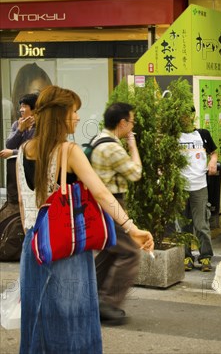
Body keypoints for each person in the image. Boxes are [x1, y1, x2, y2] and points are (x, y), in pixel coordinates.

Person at [16, 86, 153, 353]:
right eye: (74, 111)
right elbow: (100, 192)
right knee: (73, 320)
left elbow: (24, 202)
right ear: (60, 115)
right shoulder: (69, 151)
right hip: (64, 246)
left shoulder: (23, 149)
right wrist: (131, 227)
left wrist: (32, 237)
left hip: (33, 246)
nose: (78, 118)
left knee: (38, 318)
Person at [91, 102, 143, 325]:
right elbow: (135, 173)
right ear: (122, 123)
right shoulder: (112, 147)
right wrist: (132, 145)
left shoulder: (98, 140)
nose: (132, 126)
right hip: (111, 204)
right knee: (131, 252)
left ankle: (89, 297)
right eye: (131, 122)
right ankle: (108, 303)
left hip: (101, 205)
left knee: (110, 252)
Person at [179, 106, 218, 272]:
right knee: (183, 224)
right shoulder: (174, 136)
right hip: (181, 186)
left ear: (193, 115)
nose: (185, 117)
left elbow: (214, 152)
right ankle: (186, 256)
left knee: (201, 223)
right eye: (182, 114)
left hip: (199, 185)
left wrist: (213, 161)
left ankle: (205, 256)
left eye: (188, 114)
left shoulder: (202, 134)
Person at [0, 93, 38, 212]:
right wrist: (20, 130)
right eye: (20, 106)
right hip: (17, 171)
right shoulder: (17, 124)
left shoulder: (41, 127)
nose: (21, 109)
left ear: (34, 109)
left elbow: (34, 150)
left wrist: (12, 153)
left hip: (33, 171)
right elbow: (9, 144)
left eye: (25, 106)